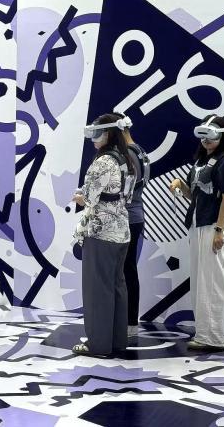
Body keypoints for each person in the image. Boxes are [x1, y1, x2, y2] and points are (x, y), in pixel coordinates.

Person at [169, 115, 224, 351]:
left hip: (215, 226)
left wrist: (219, 229)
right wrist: (181, 185)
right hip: (199, 225)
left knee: (215, 282)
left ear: (222, 135)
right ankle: (205, 333)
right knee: (201, 283)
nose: (207, 140)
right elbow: (196, 196)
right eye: (203, 135)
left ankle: (215, 337)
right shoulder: (201, 161)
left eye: (212, 135)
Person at [72, 113, 136, 357]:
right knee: (117, 286)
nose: (93, 137)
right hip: (121, 230)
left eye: (97, 132)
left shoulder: (102, 162)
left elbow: (89, 198)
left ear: (108, 133)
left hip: (101, 232)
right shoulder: (126, 159)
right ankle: (117, 340)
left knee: (97, 289)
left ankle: (98, 344)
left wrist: (79, 197)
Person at [113, 112, 150, 337]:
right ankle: (129, 321)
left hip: (127, 217)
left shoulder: (127, 154)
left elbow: (121, 191)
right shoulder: (140, 151)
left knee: (125, 271)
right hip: (135, 215)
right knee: (128, 269)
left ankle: (128, 322)